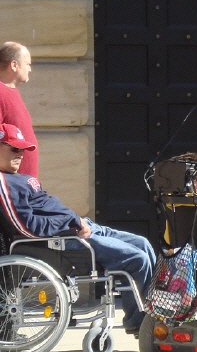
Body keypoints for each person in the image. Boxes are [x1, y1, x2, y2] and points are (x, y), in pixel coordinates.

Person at [0, 123, 155, 335]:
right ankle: (141, 325)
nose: (21, 155)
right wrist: (70, 222)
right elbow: (27, 228)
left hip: (77, 227)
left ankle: (155, 314)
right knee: (137, 259)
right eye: (14, 149)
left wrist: (75, 220)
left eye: (22, 150)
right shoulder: (3, 182)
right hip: (63, 239)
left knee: (142, 243)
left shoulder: (19, 178)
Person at [0, 42, 39, 179]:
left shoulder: (10, 91)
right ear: (14, 65)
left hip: (24, 186)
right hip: (12, 189)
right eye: (27, 64)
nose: (30, 69)